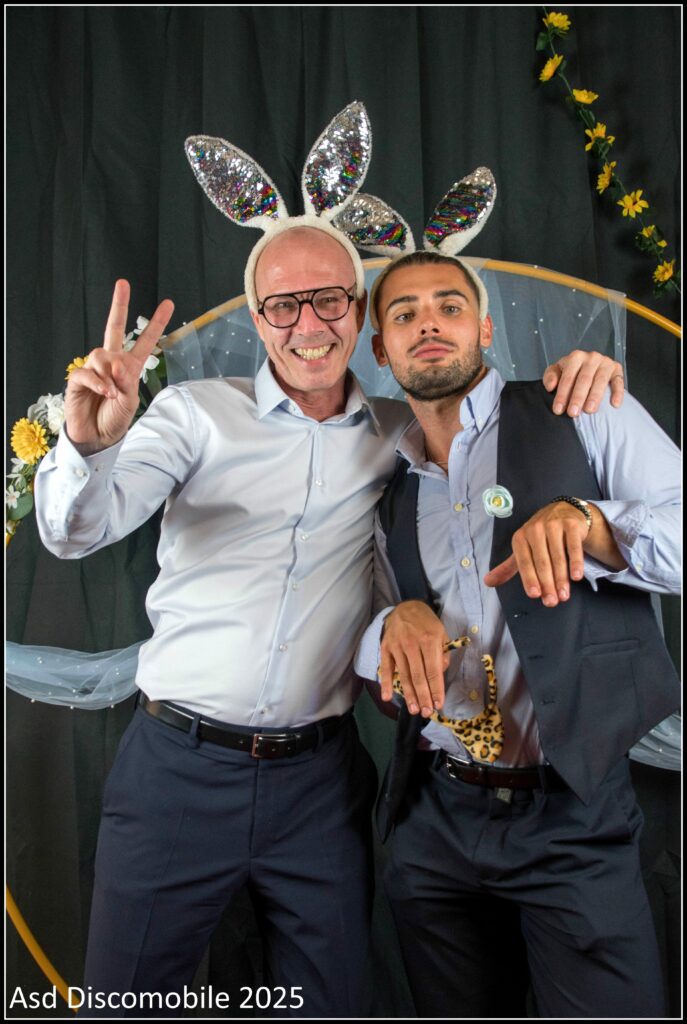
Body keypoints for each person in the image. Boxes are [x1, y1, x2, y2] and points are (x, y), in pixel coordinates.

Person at [35, 223, 627, 1018]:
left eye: (327, 300)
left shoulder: (400, 435)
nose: (306, 324)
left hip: (319, 784)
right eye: (283, 305)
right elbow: (75, 532)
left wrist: (579, 375)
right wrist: (87, 444)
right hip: (176, 770)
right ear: (257, 317)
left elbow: (466, 475)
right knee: (127, 1000)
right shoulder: (194, 414)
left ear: (358, 313)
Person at [354, 249, 681, 1018]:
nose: (427, 323)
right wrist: (390, 623)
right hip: (434, 818)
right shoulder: (385, 483)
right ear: (380, 351)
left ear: (484, 329)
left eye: (448, 306)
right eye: (403, 313)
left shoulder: (583, 406)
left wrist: (593, 525)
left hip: (573, 813)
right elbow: (365, 640)